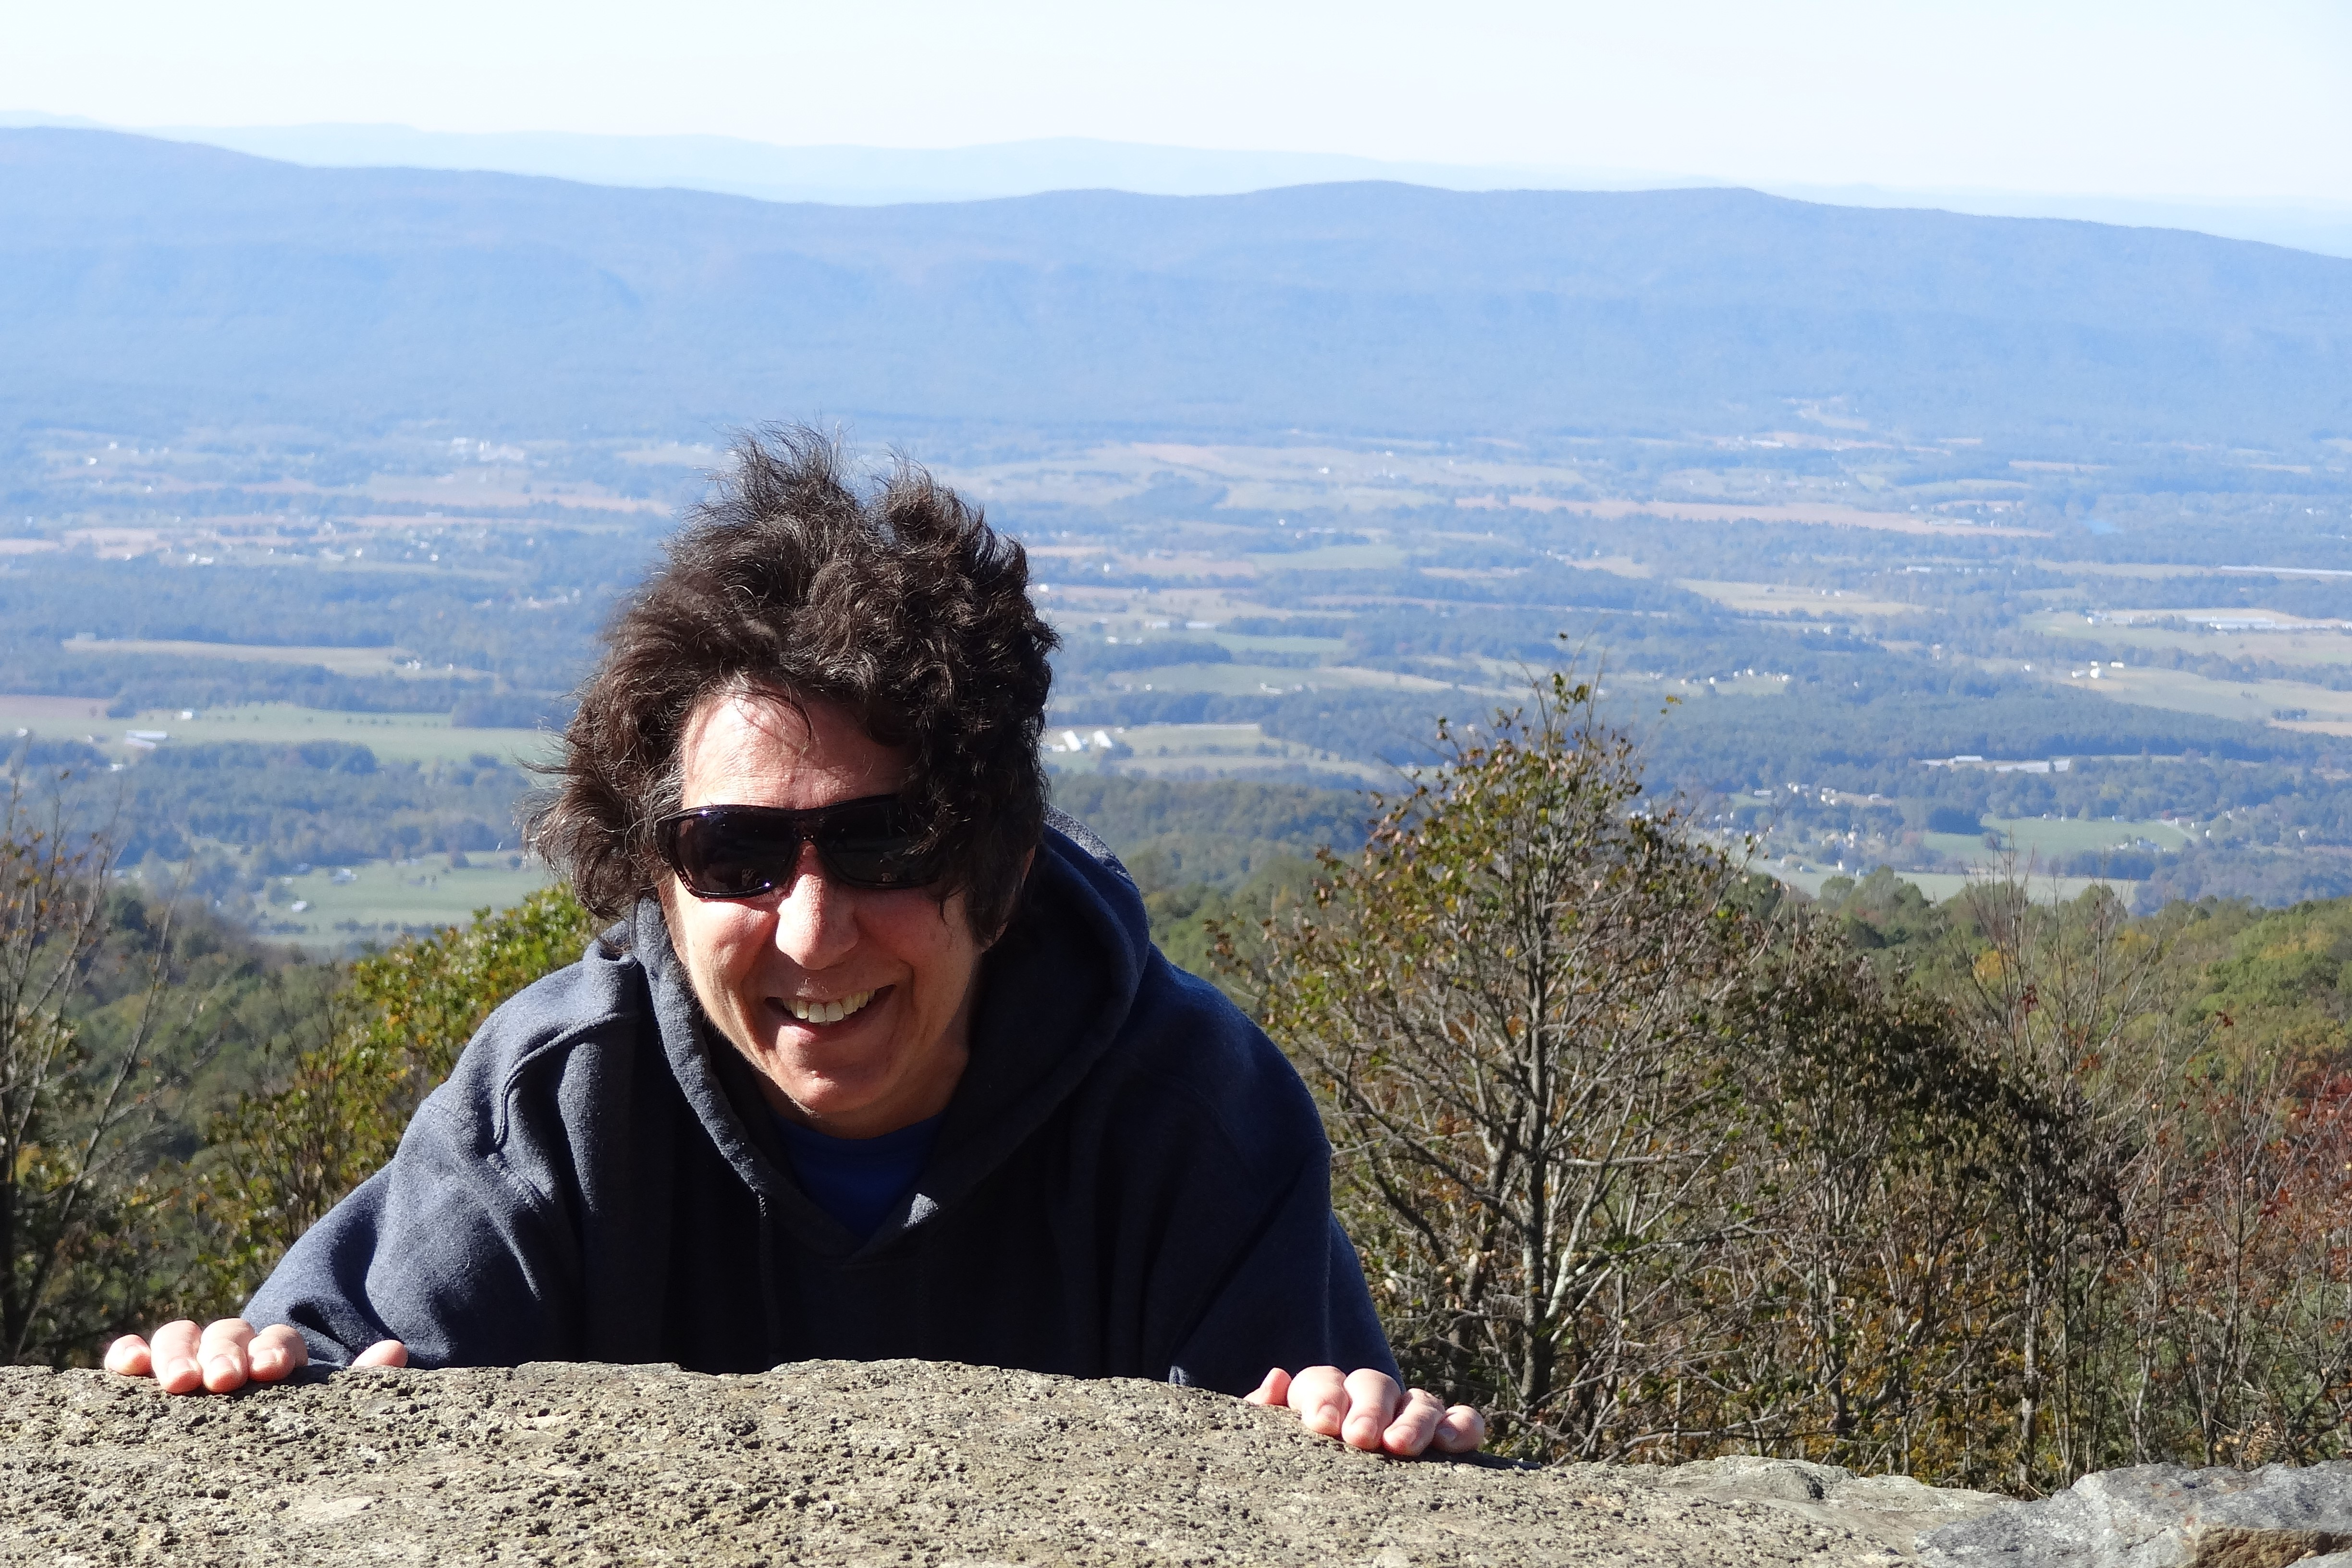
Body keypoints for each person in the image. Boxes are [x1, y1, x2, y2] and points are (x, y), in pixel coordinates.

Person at [106, 429, 1483, 1459]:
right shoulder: (560, 1102)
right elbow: (340, 1371)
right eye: (739, 856)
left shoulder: (1191, 1116)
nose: (812, 930)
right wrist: (239, 1369)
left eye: (886, 848)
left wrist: (1358, 1426)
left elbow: (1303, 1462)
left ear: (998, 871)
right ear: (657, 876)